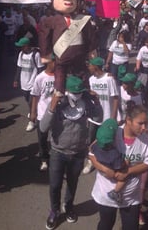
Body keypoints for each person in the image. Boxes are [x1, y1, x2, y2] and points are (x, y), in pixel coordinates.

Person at [40, 75, 102, 230]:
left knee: (73, 183)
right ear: (66, 91)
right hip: (57, 152)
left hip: (78, 152)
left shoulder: (85, 104)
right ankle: (54, 210)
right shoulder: (57, 104)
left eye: (80, 92)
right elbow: (43, 127)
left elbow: (98, 118)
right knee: (55, 185)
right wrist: (53, 105)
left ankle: (68, 206)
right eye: (74, 92)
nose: (77, 95)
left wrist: (97, 102)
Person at [90, 103, 148, 230]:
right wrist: (105, 169)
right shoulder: (111, 133)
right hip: (106, 193)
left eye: (146, 123)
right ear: (128, 120)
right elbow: (91, 153)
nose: (144, 128)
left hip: (131, 197)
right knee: (106, 224)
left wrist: (128, 171)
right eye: (140, 123)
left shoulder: (145, 141)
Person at [38, 0, 97, 96]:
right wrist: (46, 54)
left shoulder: (83, 20)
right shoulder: (50, 21)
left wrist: (92, 51)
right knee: (60, 75)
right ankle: (59, 93)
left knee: (82, 74)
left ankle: (85, 91)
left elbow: (90, 37)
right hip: (61, 58)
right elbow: (45, 38)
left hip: (80, 58)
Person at [83, 57, 119, 175]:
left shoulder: (109, 79)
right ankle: (91, 161)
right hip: (94, 116)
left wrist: (113, 118)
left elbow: (115, 98)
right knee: (91, 139)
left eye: (90, 65)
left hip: (107, 116)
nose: (88, 67)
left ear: (96, 67)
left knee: (107, 141)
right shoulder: (91, 79)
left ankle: (107, 162)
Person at [90, 118, 127, 204]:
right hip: (112, 171)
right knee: (124, 177)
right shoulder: (114, 154)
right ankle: (115, 192)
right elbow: (120, 166)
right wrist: (126, 162)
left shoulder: (95, 146)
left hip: (102, 170)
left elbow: (90, 150)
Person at [14, 37, 44, 131]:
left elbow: (40, 69)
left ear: (27, 46)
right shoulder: (21, 54)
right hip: (24, 83)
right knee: (28, 101)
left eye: (22, 46)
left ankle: (32, 121)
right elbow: (19, 68)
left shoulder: (36, 55)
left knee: (32, 102)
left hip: (33, 83)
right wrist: (16, 80)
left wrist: (39, 83)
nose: (21, 48)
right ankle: (33, 111)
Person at [30, 57, 55, 171]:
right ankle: (44, 159)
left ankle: (55, 158)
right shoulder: (40, 78)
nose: (56, 64)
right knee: (42, 138)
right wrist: (33, 113)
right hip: (42, 114)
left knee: (56, 137)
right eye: (54, 62)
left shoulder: (60, 76)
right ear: (48, 63)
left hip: (56, 114)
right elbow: (35, 95)